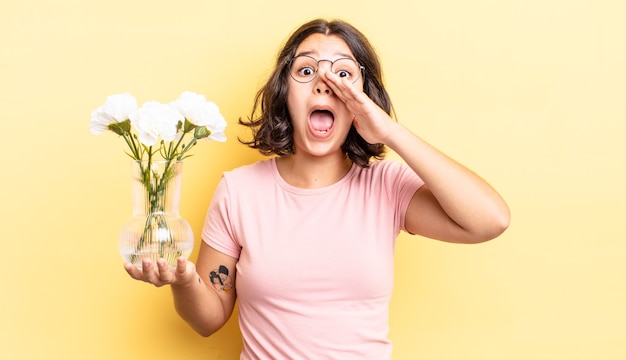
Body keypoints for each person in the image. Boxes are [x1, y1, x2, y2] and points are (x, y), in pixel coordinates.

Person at [125, 18, 510, 359]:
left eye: (343, 74)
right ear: (284, 93)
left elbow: (490, 220)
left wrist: (390, 131)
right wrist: (185, 281)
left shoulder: (386, 186)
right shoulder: (239, 191)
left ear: (364, 99)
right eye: (306, 71)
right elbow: (208, 319)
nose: (324, 85)